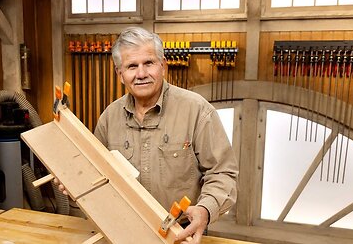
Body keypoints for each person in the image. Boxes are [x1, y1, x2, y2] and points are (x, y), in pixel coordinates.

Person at [57, 27, 238, 243]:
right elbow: (98, 178)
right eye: (132, 66)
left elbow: (223, 173)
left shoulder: (197, 110)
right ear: (120, 74)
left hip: (181, 234)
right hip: (123, 232)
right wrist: (76, 184)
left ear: (163, 66)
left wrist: (206, 210)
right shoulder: (109, 118)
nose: (141, 74)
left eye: (149, 63)